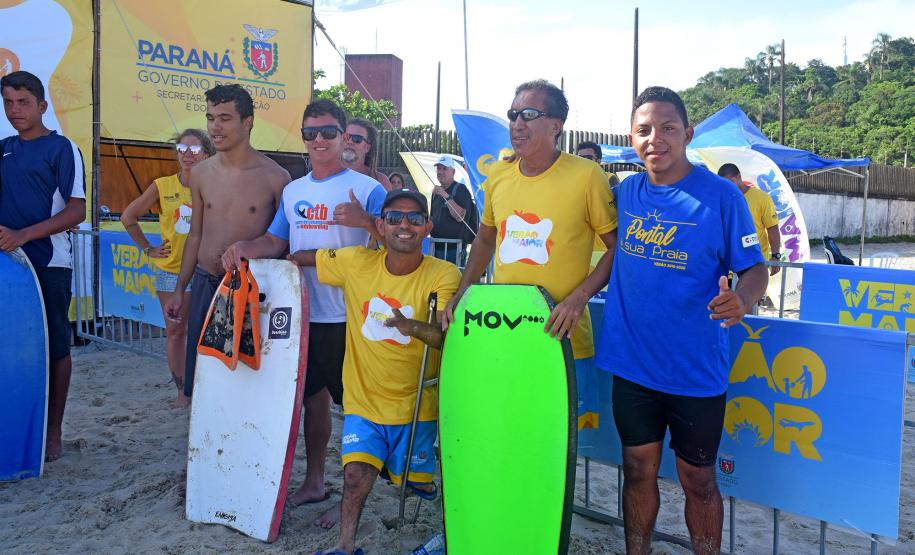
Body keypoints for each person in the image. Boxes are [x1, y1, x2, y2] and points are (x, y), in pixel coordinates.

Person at [595, 87, 768, 555]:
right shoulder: (624, 194)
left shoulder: (722, 197)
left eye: (668, 128)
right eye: (644, 130)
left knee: (699, 480)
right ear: (632, 138)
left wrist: (742, 300)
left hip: (695, 370)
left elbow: (756, 268)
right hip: (632, 364)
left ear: (687, 134)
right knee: (637, 471)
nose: (656, 139)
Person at [220, 98, 386, 510]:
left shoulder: (368, 189)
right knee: (313, 400)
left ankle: (355, 496)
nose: (319, 140)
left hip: (352, 315)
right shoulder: (294, 190)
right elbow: (274, 241)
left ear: (344, 137)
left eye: (328, 132)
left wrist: (366, 221)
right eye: (310, 133)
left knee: (357, 409)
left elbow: (400, 243)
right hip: (303, 314)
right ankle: (315, 481)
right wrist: (243, 248)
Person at [286, 187, 460, 555]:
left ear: (428, 227)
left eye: (414, 218)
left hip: (417, 407)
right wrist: (276, 263)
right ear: (381, 225)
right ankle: (345, 547)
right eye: (394, 218)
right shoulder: (356, 262)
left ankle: (446, 530)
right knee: (354, 476)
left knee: (419, 485)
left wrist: (412, 328)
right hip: (364, 401)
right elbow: (304, 257)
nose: (404, 225)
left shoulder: (443, 273)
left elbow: (445, 337)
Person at [442, 79, 618, 414]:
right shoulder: (498, 174)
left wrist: (579, 298)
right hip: (507, 334)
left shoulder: (587, 175)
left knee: (563, 439)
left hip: (563, 336)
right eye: (513, 115)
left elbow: (616, 247)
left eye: (529, 114)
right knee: (511, 429)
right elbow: (485, 238)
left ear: (556, 125)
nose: (517, 124)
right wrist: (463, 291)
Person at [163, 84, 290, 399]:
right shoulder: (200, 173)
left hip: (250, 291)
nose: (215, 127)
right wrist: (180, 289)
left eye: (224, 118)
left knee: (246, 381)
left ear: (247, 122)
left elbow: (282, 243)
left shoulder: (276, 177)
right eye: (210, 118)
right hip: (205, 284)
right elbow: (196, 235)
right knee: (203, 379)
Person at [0, 70, 86, 461]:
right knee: (12, 347)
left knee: (55, 346)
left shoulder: (62, 147)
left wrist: (23, 235)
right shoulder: (3, 149)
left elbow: (77, 210)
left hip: (49, 262)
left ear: (42, 106)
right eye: (8, 102)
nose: (14, 110)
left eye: (23, 102)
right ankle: (19, 426)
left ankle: (53, 433)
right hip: (8, 266)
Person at [120, 129, 215, 409]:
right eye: (182, 149)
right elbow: (128, 217)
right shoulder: (162, 185)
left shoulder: (215, 185)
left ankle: (207, 392)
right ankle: (183, 393)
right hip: (171, 272)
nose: (187, 155)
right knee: (175, 332)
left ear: (207, 154)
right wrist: (147, 248)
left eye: (194, 150)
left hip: (206, 270)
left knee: (207, 333)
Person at [717, 163, 782, 275]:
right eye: (724, 183)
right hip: (726, 263)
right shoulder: (720, 198)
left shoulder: (762, 198)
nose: (728, 186)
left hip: (754, 262)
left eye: (731, 181)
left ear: (739, 177)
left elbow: (772, 228)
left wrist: (776, 255)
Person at [429, 154, 478, 266]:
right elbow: (432, 218)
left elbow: (460, 216)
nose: (440, 172)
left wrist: (445, 195)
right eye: (438, 168)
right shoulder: (435, 193)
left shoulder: (460, 189)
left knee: (454, 277)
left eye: (444, 168)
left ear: (453, 172)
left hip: (454, 249)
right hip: (436, 247)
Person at [342, 117, 393, 191]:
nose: (349, 142)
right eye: (346, 137)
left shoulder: (380, 181)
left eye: (357, 139)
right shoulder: (326, 175)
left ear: (367, 148)